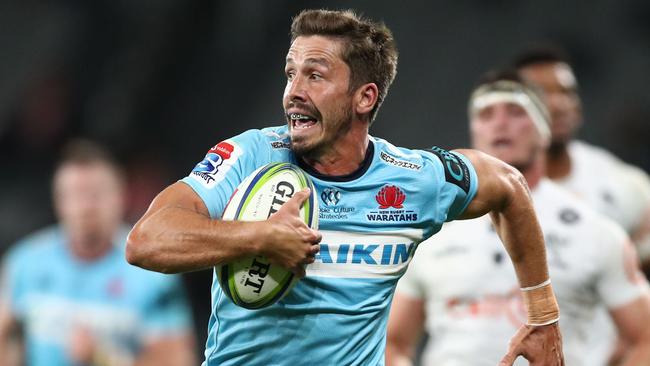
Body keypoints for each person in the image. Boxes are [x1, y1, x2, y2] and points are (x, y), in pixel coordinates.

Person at [126, 9, 563, 366]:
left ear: (365, 98)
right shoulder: (251, 155)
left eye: (315, 76)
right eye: (290, 73)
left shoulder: (414, 179)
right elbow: (145, 241)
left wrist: (544, 317)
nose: (293, 92)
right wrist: (259, 237)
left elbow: (509, 185)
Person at [385, 71, 650, 366]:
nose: (500, 123)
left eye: (516, 112)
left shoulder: (596, 232)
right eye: (486, 114)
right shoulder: (433, 234)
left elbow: (644, 339)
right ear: (474, 132)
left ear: (545, 129)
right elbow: (394, 343)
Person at [0, 140, 196, 366]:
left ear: (120, 198)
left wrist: (105, 359)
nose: (86, 206)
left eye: (95, 194)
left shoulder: (152, 269)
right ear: (58, 200)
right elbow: (4, 337)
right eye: (75, 194)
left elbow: (179, 359)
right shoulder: (25, 262)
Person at [513, 46, 650, 266]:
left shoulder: (624, 183)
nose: (558, 104)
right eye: (541, 93)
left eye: (566, 92)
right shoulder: (492, 188)